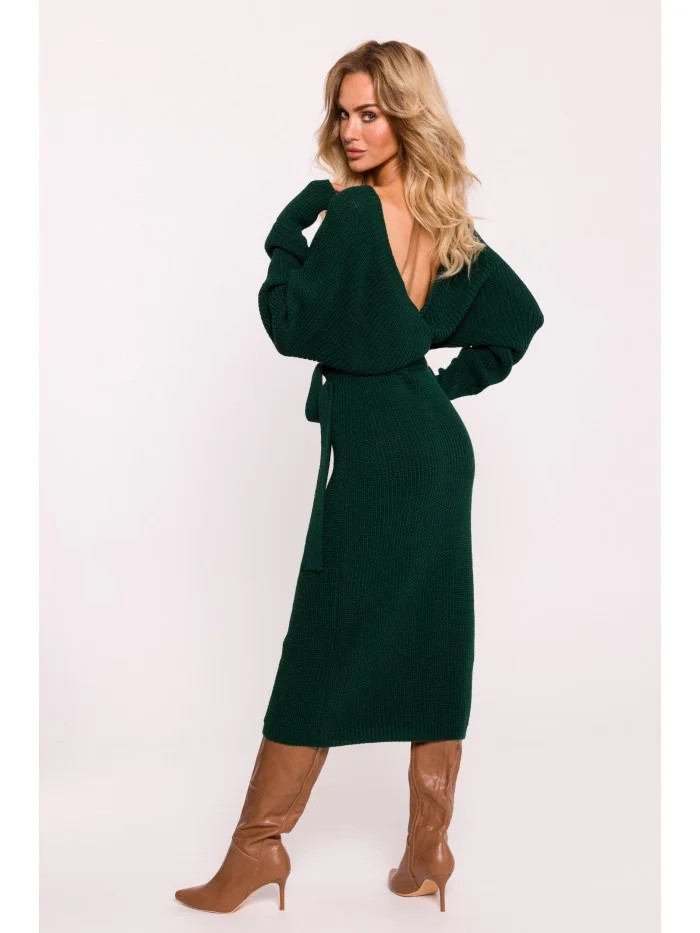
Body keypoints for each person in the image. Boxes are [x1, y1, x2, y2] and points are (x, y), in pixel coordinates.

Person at [175, 39, 544, 915]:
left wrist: (283, 235)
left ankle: (256, 850)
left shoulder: (348, 214)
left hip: (382, 454)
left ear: (405, 117)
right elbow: (516, 318)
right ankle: (427, 853)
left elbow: (290, 322)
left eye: (369, 113)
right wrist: (434, 391)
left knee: (319, 644)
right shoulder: (442, 222)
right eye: (342, 113)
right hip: (433, 453)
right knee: (437, 636)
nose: (349, 130)